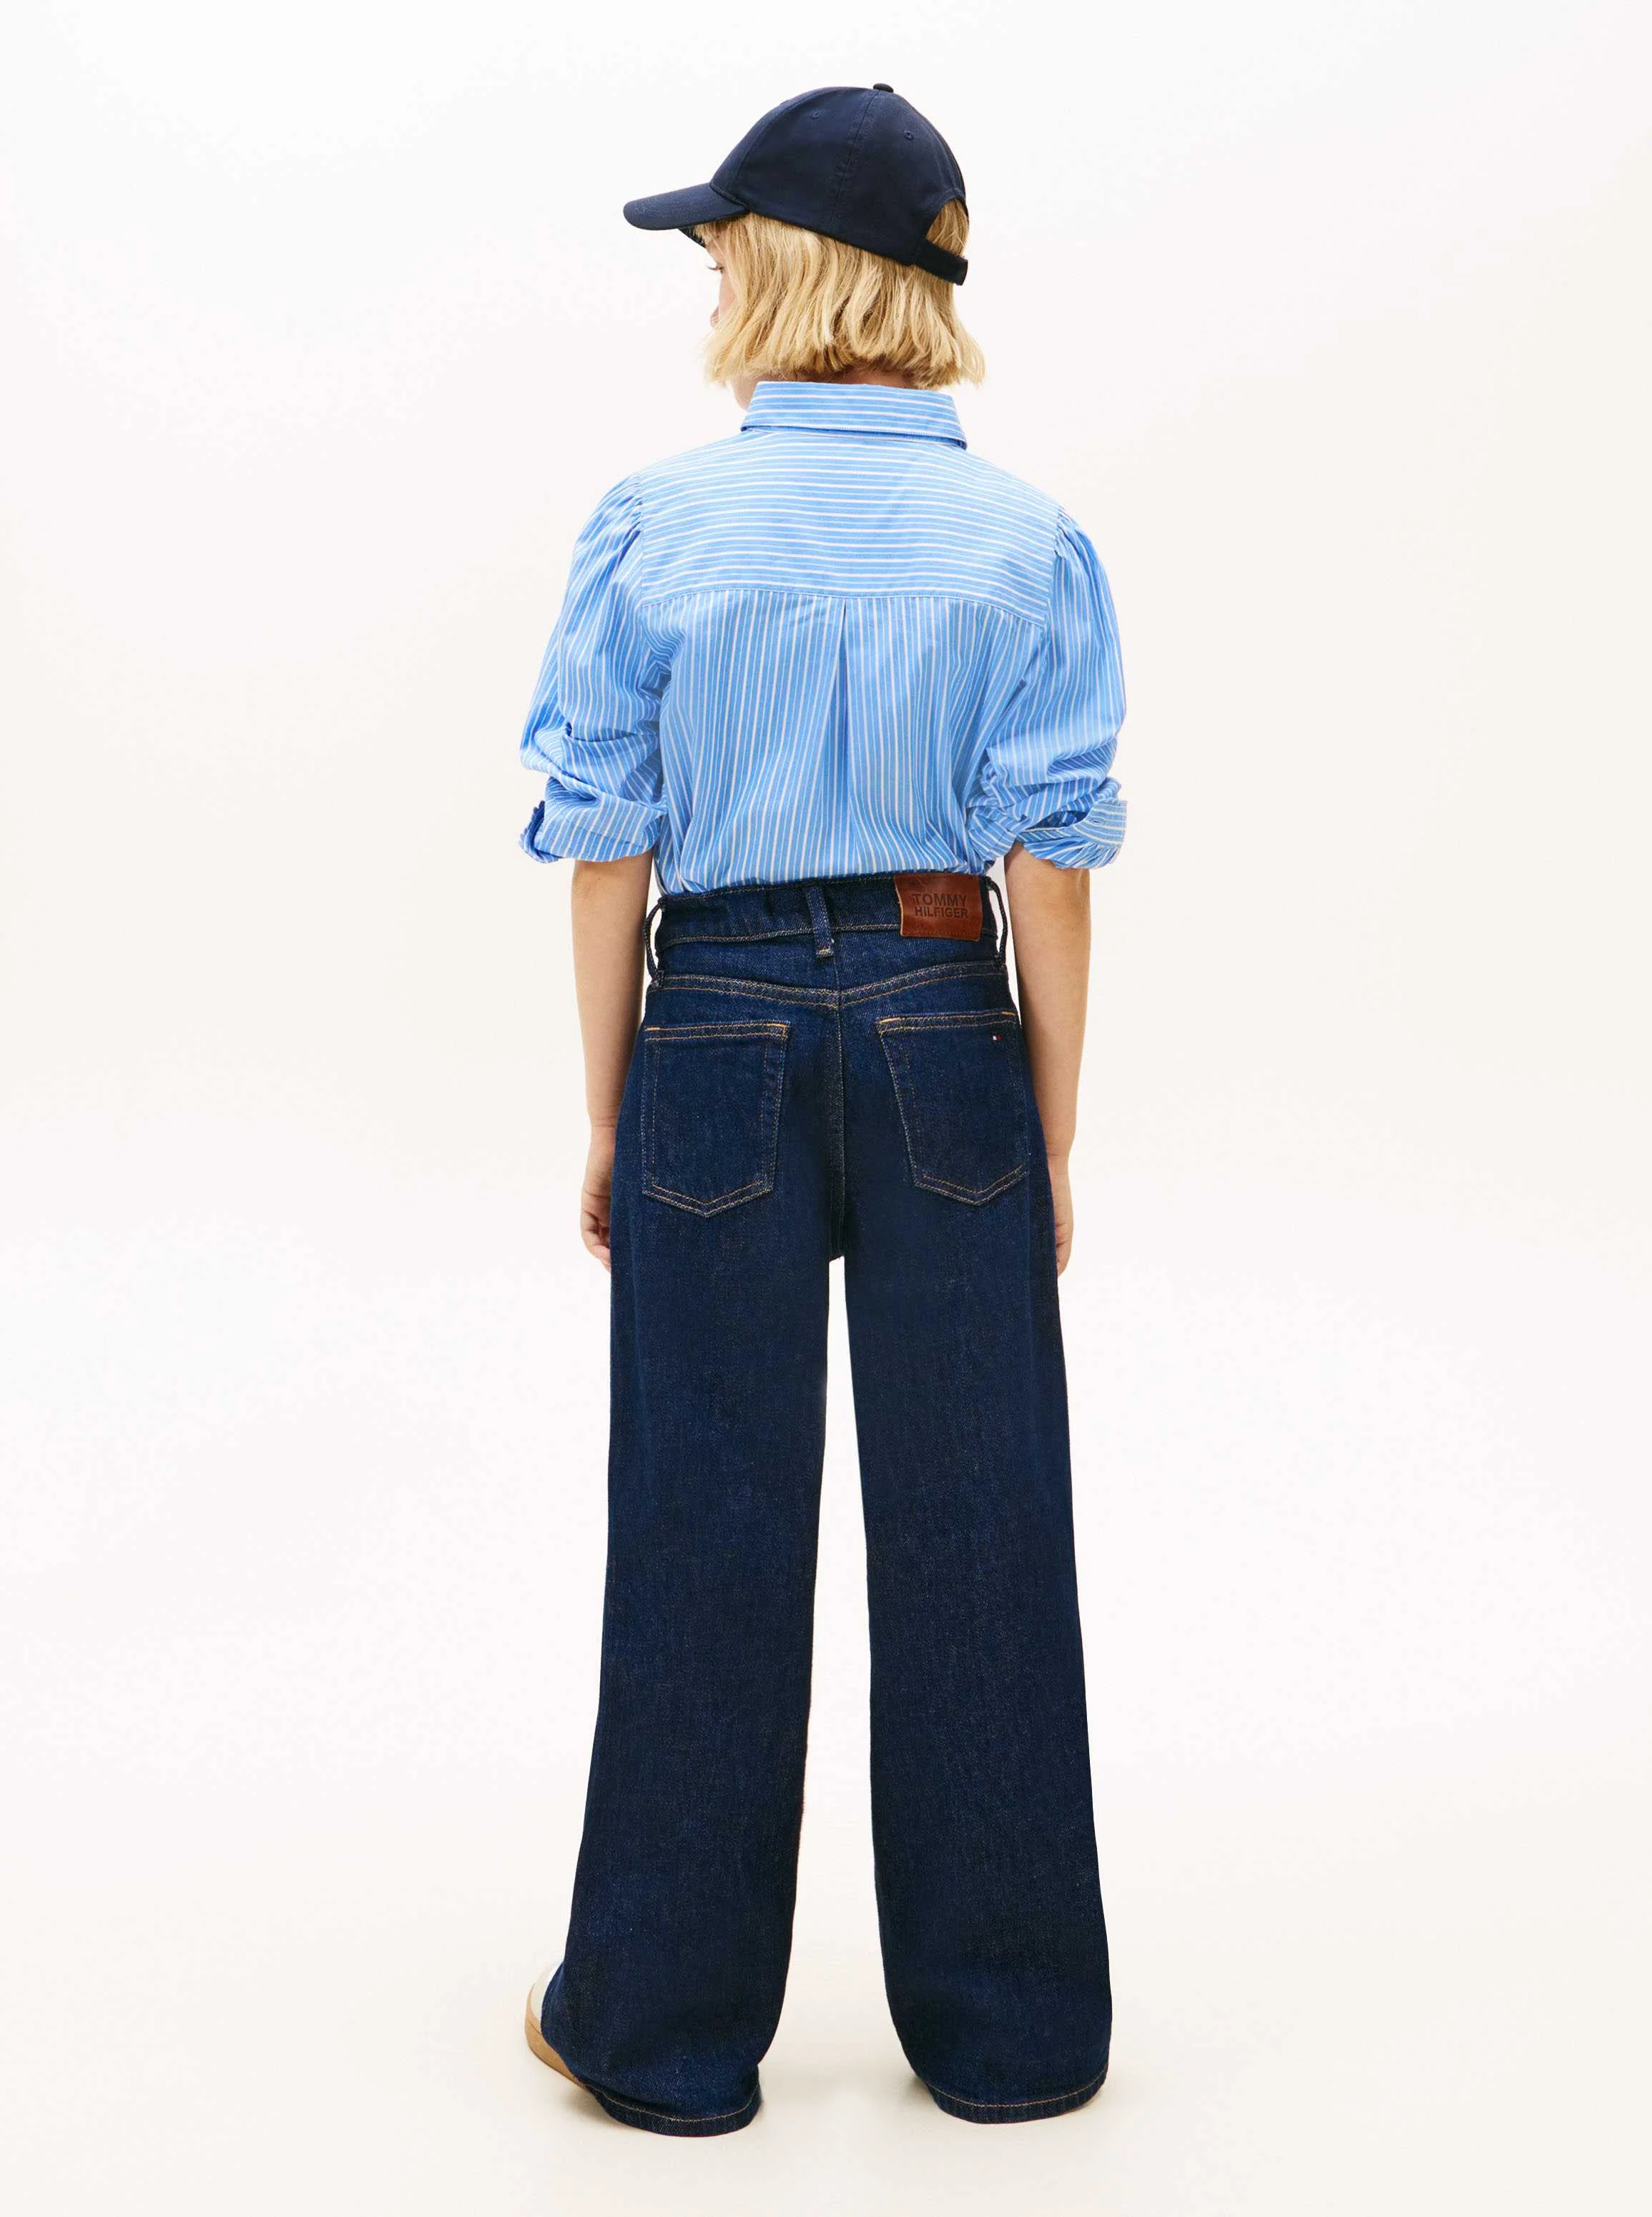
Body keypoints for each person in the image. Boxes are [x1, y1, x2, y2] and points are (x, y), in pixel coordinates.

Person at [516, 84, 1127, 2137]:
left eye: (717, 246)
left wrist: (611, 1106)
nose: (703, 275)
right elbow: (1053, 862)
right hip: (953, 1017)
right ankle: (1014, 2038)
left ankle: (662, 2032)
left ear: (779, 268)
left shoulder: (652, 526)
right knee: (982, 1521)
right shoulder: (1025, 539)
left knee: (702, 1519)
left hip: (711, 1027)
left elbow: (608, 843)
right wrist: (1048, 1133)